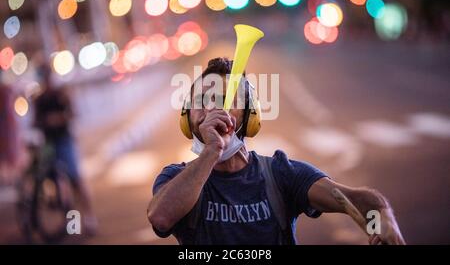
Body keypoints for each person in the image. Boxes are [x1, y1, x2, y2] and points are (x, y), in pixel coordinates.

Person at [147, 57, 405, 245]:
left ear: (250, 117)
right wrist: (212, 150)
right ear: (186, 117)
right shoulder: (174, 179)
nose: (212, 109)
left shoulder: (281, 175)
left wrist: (382, 221)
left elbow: (361, 202)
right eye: (201, 101)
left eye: (226, 100)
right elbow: (161, 217)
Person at [34, 64, 97, 235]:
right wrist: (45, 122)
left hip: (64, 140)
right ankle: (69, 222)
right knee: (49, 182)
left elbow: (73, 113)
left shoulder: (61, 94)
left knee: (76, 179)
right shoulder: (38, 99)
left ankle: (89, 218)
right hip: (48, 143)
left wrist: (59, 118)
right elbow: (35, 121)